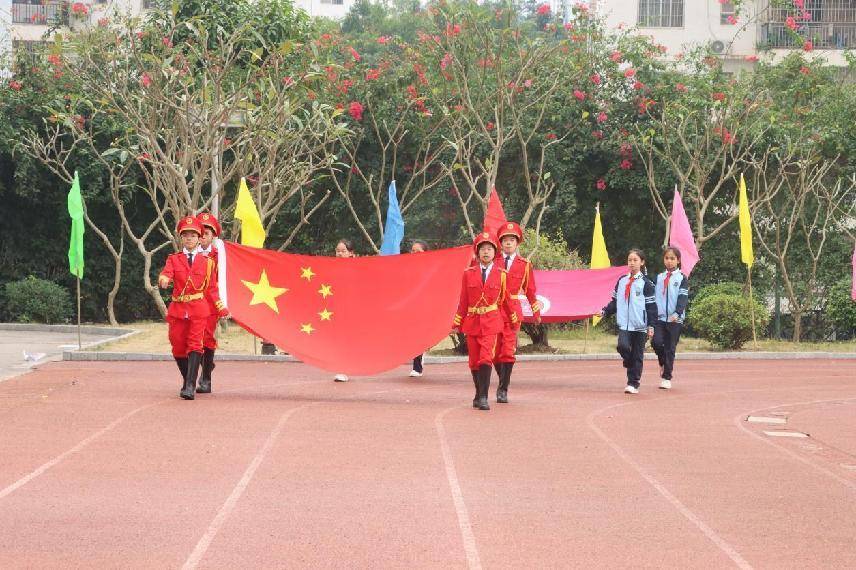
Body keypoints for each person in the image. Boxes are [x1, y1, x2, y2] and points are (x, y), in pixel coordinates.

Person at [158, 216, 228, 400]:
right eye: (185, 235)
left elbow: (212, 288)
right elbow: (166, 273)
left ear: (199, 238)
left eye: (193, 235)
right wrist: (164, 279)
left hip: (199, 309)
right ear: (181, 238)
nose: (189, 238)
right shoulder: (174, 259)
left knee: (196, 343)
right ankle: (188, 378)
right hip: (179, 309)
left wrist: (221, 308)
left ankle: (189, 385)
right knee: (177, 346)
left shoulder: (208, 263)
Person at [453, 232, 516, 411]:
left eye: (489, 249)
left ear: (495, 252)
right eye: (482, 249)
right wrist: (457, 322)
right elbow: (463, 301)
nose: (486, 252)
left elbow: (506, 299)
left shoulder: (502, 274)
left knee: (485, 358)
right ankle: (477, 392)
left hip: (491, 322)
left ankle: (483, 397)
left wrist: (513, 317)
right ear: (477, 252)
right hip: (472, 322)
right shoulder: (468, 274)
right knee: (473, 361)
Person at [493, 222, 541, 403]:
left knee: (507, 351)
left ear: (517, 243)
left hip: (512, 312)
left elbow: (530, 290)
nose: (508, 243)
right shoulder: (493, 261)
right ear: (500, 242)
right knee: (494, 353)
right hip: (494, 310)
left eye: (512, 240)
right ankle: (502, 379)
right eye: (505, 240)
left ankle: (503, 388)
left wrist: (535, 312)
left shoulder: (524, 264)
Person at [600, 249, 657, 394]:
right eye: (630, 260)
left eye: (635, 260)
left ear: (642, 262)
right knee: (622, 347)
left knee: (637, 354)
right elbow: (615, 301)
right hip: (624, 324)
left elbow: (651, 307)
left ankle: (633, 383)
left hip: (640, 326)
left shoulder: (647, 283)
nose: (631, 263)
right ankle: (629, 361)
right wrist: (605, 311)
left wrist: (651, 325)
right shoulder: (621, 281)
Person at [652, 247, 689, 390]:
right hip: (660, 318)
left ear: (678, 260)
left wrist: (677, 313)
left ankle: (667, 377)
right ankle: (662, 362)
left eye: (672, 258)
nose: (669, 261)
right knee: (656, 342)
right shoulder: (659, 278)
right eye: (667, 258)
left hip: (675, 319)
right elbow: (652, 295)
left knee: (670, 348)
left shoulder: (682, 278)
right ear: (663, 260)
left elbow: (682, 298)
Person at [196, 212, 222, 394]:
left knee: (207, 338)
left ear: (213, 236)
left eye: (207, 234)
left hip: (212, 303)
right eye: (201, 233)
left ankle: (206, 379)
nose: (203, 237)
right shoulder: (190, 254)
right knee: (191, 339)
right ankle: (207, 364)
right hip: (193, 303)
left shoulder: (221, 256)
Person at [333, 239, 355, 383]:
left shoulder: (359, 267)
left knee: (347, 339)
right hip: (335, 310)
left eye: (343, 251)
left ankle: (344, 368)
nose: (340, 254)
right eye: (337, 251)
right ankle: (341, 368)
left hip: (352, 310)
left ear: (351, 253)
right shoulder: (330, 267)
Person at [409, 240, 430, 378]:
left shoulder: (431, 268)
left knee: (420, 334)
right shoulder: (406, 267)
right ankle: (417, 360)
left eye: (419, 251)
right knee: (411, 334)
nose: (415, 254)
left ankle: (417, 365)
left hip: (425, 307)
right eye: (413, 251)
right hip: (410, 307)